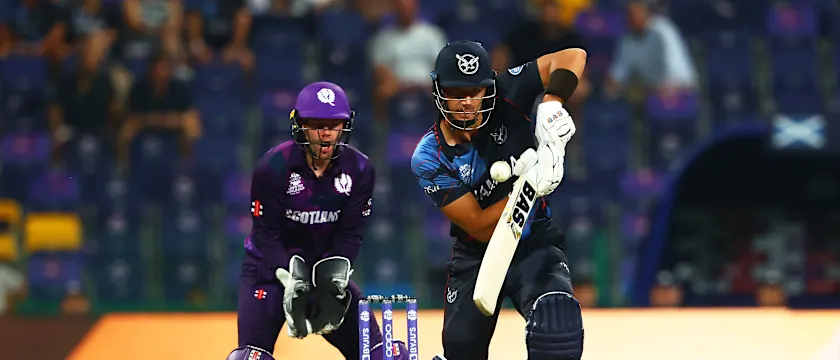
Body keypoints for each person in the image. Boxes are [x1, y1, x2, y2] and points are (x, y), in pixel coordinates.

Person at [411, 41, 587, 360]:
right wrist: (530, 183)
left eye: (475, 91)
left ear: (489, 87)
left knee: (556, 322)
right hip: (476, 256)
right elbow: (479, 227)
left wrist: (552, 101)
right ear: (438, 90)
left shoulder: (509, 91)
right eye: (456, 92)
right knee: (461, 351)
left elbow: (573, 56)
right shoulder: (428, 156)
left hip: (533, 241)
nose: (466, 102)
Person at [226, 82, 408, 360]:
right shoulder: (272, 167)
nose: (325, 134)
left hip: (326, 274)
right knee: (248, 358)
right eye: (316, 124)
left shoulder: (360, 169)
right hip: (271, 273)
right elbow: (266, 234)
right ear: (299, 125)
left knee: (383, 357)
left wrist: (334, 278)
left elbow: (351, 234)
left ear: (345, 126)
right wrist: (288, 275)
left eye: (333, 125)